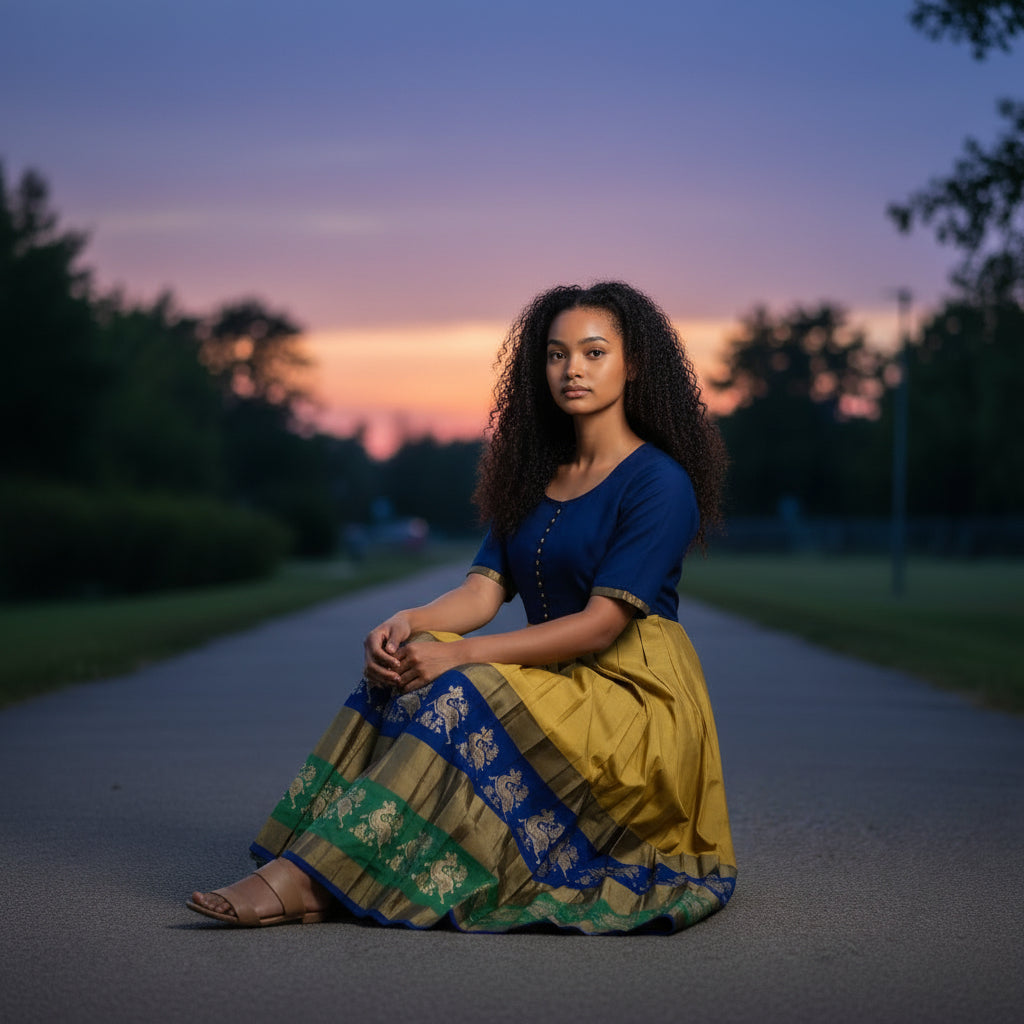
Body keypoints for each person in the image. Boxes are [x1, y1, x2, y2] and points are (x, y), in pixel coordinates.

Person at [188, 281, 736, 933]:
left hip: (635, 698)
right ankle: (328, 859)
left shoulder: (659, 482)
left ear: (633, 364)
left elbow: (602, 623)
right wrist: (410, 623)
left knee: (459, 684)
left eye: (594, 353)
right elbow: (481, 593)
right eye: (557, 355)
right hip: (559, 682)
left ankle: (308, 878)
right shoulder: (533, 479)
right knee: (400, 674)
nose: (572, 370)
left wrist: (464, 654)